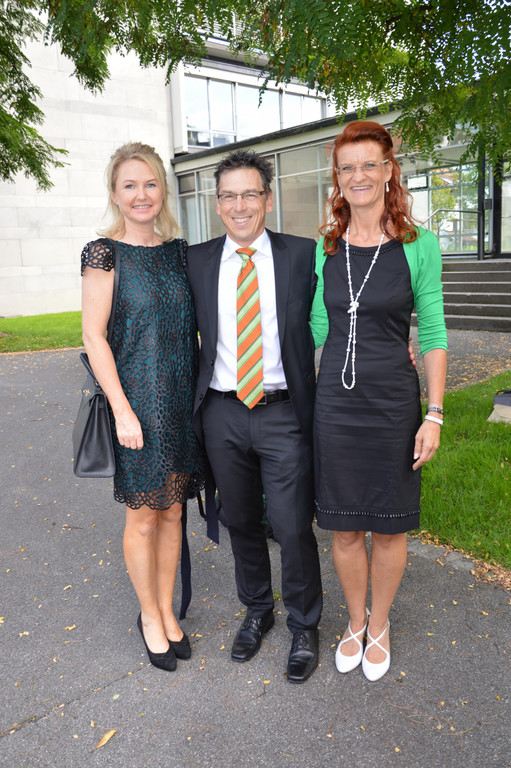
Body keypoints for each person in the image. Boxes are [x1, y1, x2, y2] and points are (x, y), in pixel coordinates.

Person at [310, 121, 447, 682]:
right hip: (334, 406)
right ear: (337, 178)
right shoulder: (326, 247)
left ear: (389, 170)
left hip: (392, 405)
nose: (359, 175)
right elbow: (317, 326)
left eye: (370, 164)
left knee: (389, 526)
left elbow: (433, 332)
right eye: (348, 167)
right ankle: (354, 621)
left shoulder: (419, 245)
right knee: (344, 527)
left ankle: (381, 623)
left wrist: (434, 413)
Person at [187, 149, 323, 683]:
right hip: (222, 412)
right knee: (240, 519)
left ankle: (304, 624)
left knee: (291, 525)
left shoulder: (301, 254)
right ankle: (258, 610)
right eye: (229, 195)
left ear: (267, 199)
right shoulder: (196, 261)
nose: (239, 205)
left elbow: (336, 314)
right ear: (217, 203)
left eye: (250, 194)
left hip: (284, 411)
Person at [80, 142, 205, 671]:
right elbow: (93, 336)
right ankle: (149, 615)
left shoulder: (179, 252)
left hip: (181, 402)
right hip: (136, 405)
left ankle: (168, 608)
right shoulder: (103, 253)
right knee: (144, 517)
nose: (141, 194)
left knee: (173, 510)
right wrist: (122, 410)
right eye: (129, 185)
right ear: (115, 193)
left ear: (163, 190)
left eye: (150, 183)